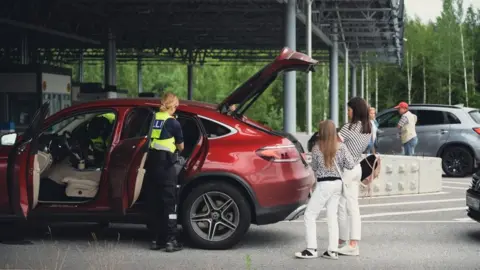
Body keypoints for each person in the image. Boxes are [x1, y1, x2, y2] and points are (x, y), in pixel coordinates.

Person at [295, 120, 356, 260]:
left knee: (310, 214)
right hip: (337, 184)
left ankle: (311, 249)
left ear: (321, 132)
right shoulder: (341, 147)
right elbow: (351, 165)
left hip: (324, 184)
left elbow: (315, 168)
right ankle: (332, 250)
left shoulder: (317, 148)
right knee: (332, 216)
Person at [145, 92, 184, 252]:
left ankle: (155, 240)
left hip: (152, 165)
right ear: (173, 106)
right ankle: (170, 241)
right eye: (176, 106)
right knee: (169, 204)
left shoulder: (154, 118)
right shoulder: (173, 123)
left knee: (154, 203)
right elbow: (181, 147)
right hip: (167, 167)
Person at [337, 97, 373, 257]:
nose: (347, 112)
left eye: (349, 109)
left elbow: (334, 144)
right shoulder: (368, 127)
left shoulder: (349, 128)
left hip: (346, 170)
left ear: (355, 110)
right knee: (346, 205)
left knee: (347, 206)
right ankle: (344, 241)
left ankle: (351, 244)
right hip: (357, 167)